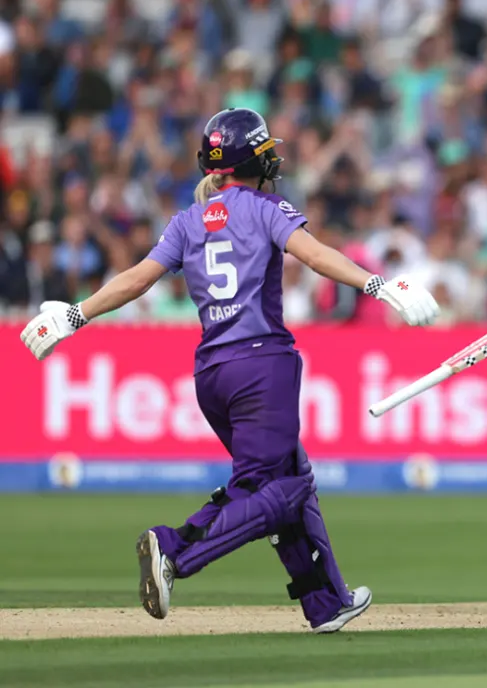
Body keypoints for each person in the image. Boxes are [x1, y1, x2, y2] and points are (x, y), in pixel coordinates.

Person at [18, 108, 440, 634]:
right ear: (254, 159)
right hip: (262, 364)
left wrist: (76, 315)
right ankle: (175, 549)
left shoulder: (187, 220)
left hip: (212, 373)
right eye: (265, 151)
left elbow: (137, 279)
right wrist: (379, 285)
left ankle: (326, 602)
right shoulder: (266, 208)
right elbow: (314, 255)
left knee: (289, 476)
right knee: (277, 489)